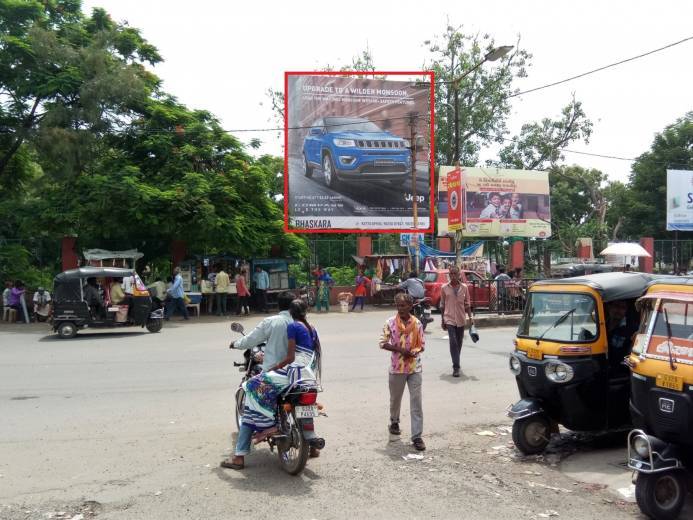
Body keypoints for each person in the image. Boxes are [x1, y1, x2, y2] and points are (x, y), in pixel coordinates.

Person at [221, 292, 311, 469]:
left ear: (278, 305)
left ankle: (239, 457)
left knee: (250, 397)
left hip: (279, 374)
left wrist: (235, 343)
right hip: (303, 375)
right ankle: (312, 447)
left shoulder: (273, 321)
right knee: (305, 404)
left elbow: (251, 340)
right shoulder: (305, 325)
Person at [380, 293, 426, 451]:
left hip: (414, 367)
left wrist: (414, 351)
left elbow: (422, 344)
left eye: (403, 305)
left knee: (416, 402)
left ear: (410, 306)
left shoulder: (417, 323)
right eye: (398, 305)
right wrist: (400, 350)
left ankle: (417, 436)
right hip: (397, 367)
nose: (400, 308)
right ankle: (394, 421)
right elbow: (383, 343)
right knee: (395, 399)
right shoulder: (390, 323)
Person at [440, 266, 474, 377]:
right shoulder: (444, 288)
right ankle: (456, 367)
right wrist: (442, 320)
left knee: (459, 343)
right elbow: (442, 305)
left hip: (461, 319)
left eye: (455, 274)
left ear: (459, 275)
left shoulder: (464, 288)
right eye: (451, 274)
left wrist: (471, 318)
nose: (453, 276)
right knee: (453, 342)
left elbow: (467, 304)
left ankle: (456, 360)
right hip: (449, 318)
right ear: (449, 275)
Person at [606, 300, 637, 371]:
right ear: (609, 307)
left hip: (620, 370)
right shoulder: (603, 323)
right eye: (616, 306)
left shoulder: (632, 328)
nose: (619, 310)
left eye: (623, 308)